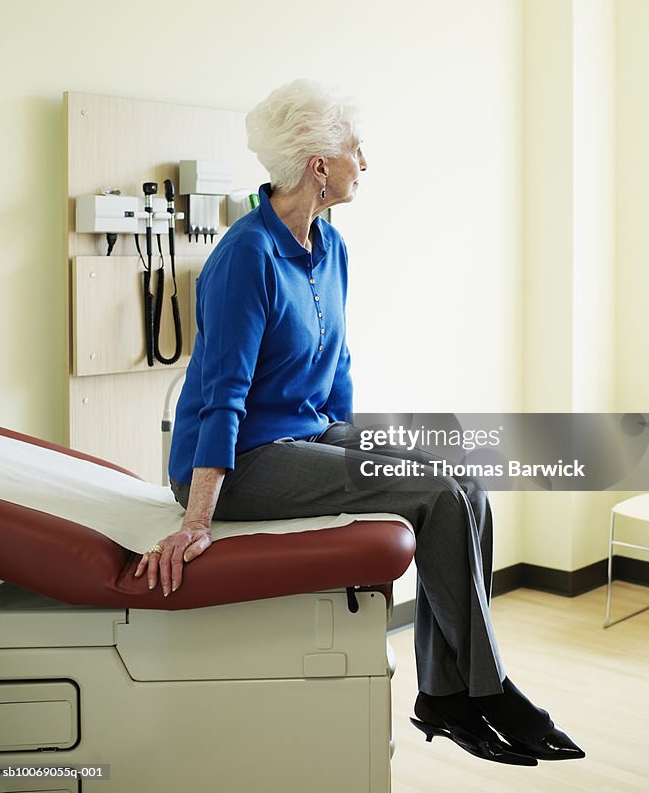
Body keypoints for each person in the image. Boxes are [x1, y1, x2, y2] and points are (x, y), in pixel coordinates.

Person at [135, 78, 585, 767]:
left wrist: (362, 451)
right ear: (319, 165)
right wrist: (197, 518)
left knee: (461, 480)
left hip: (310, 434)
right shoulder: (244, 256)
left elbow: (336, 369)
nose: (362, 163)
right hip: (242, 463)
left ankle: (445, 692)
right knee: (432, 496)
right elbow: (222, 395)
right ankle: (480, 693)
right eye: (354, 149)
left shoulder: (331, 249)